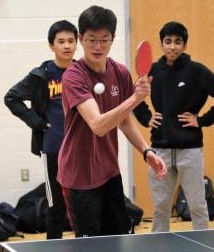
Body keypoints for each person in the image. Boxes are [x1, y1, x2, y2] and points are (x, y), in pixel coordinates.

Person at [57, 5, 166, 238]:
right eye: (91, 40)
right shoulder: (73, 76)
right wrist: (136, 97)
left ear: (112, 39)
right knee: (91, 245)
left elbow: (125, 121)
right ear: (80, 38)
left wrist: (146, 151)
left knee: (118, 239)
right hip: (79, 177)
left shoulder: (120, 72)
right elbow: (98, 125)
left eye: (104, 40)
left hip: (109, 172)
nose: (97, 46)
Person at [133, 21, 214, 232]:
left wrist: (202, 120)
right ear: (161, 44)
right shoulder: (151, 70)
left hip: (190, 151)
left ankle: (202, 245)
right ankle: (159, 245)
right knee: (161, 208)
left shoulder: (197, 71)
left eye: (178, 42)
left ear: (184, 45)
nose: (173, 46)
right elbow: (135, 99)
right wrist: (147, 119)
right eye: (168, 41)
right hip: (160, 151)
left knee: (198, 206)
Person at [4, 20, 78, 239]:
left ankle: (86, 244)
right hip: (53, 146)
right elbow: (11, 97)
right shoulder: (41, 75)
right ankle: (53, 246)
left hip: (81, 147)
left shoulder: (83, 71)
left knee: (82, 202)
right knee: (56, 206)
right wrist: (35, 121)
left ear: (77, 43)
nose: (67, 46)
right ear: (51, 45)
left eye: (71, 41)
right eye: (61, 41)